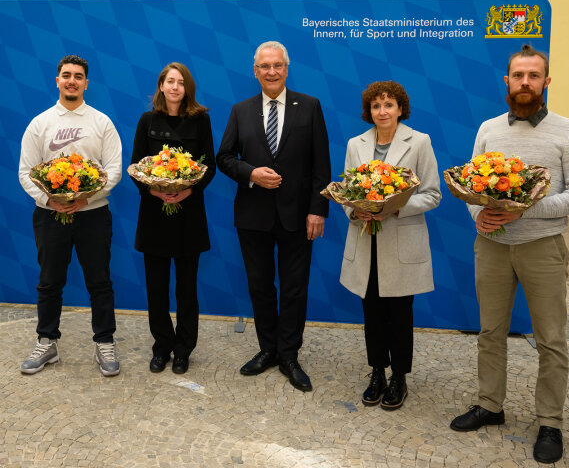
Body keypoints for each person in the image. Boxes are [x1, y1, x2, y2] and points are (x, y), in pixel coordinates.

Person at [450, 45, 569, 464]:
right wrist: (479, 215)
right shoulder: (489, 129)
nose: (525, 83)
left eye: (534, 76)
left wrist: (524, 209)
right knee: (490, 332)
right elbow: (470, 185)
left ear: (546, 82)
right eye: (518, 75)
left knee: (550, 339)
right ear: (507, 81)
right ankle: (490, 406)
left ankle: (550, 421)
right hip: (492, 248)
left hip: (543, 248)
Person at [216, 41, 330, 392]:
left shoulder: (309, 107)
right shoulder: (240, 110)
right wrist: (251, 173)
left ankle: (289, 355)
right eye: (264, 66)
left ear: (286, 67)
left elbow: (320, 164)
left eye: (277, 65)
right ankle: (267, 350)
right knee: (260, 286)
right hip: (253, 216)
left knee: (295, 289)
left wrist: (318, 209)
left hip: (299, 216)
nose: (271, 71)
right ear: (255, 71)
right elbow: (224, 157)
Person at [18, 54, 122, 376]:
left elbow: (114, 169)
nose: (72, 80)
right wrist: (50, 201)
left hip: (93, 215)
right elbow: (25, 172)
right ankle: (47, 341)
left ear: (86, 83)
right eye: (67, 75)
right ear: (58, 80)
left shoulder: (101, 122)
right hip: (49, 216)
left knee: (99, 282)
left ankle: (104, 342)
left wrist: (87, 195)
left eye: (78, 76)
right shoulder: (40, 123)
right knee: (49, 282)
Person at [340, 81, 441, 410]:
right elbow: (345, 189)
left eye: (388, 105)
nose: (382, 111)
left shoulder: (419, 142)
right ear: (368, 111)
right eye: (375, 106)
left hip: (401, 242)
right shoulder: (356, 144)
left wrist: (395, 207)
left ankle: (399, 377)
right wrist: (354, 208)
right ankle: (377, 373)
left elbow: (432, 194)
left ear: (400, 109)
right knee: (372, 313)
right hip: (366, 241)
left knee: (399, 314)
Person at [131, 62, 215, 375]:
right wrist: (154, 192)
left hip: (189, 216)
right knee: (156, 287)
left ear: (187, 88)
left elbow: (209, 167)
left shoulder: (201, 120)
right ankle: (162, 346)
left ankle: (183, 350)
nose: (175, 87)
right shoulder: (147, 120)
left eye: (181, 82)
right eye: (170, 81)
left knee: (186, 288)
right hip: (154, 215)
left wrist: (188, 192)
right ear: (161, 86)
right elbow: (136, 166)